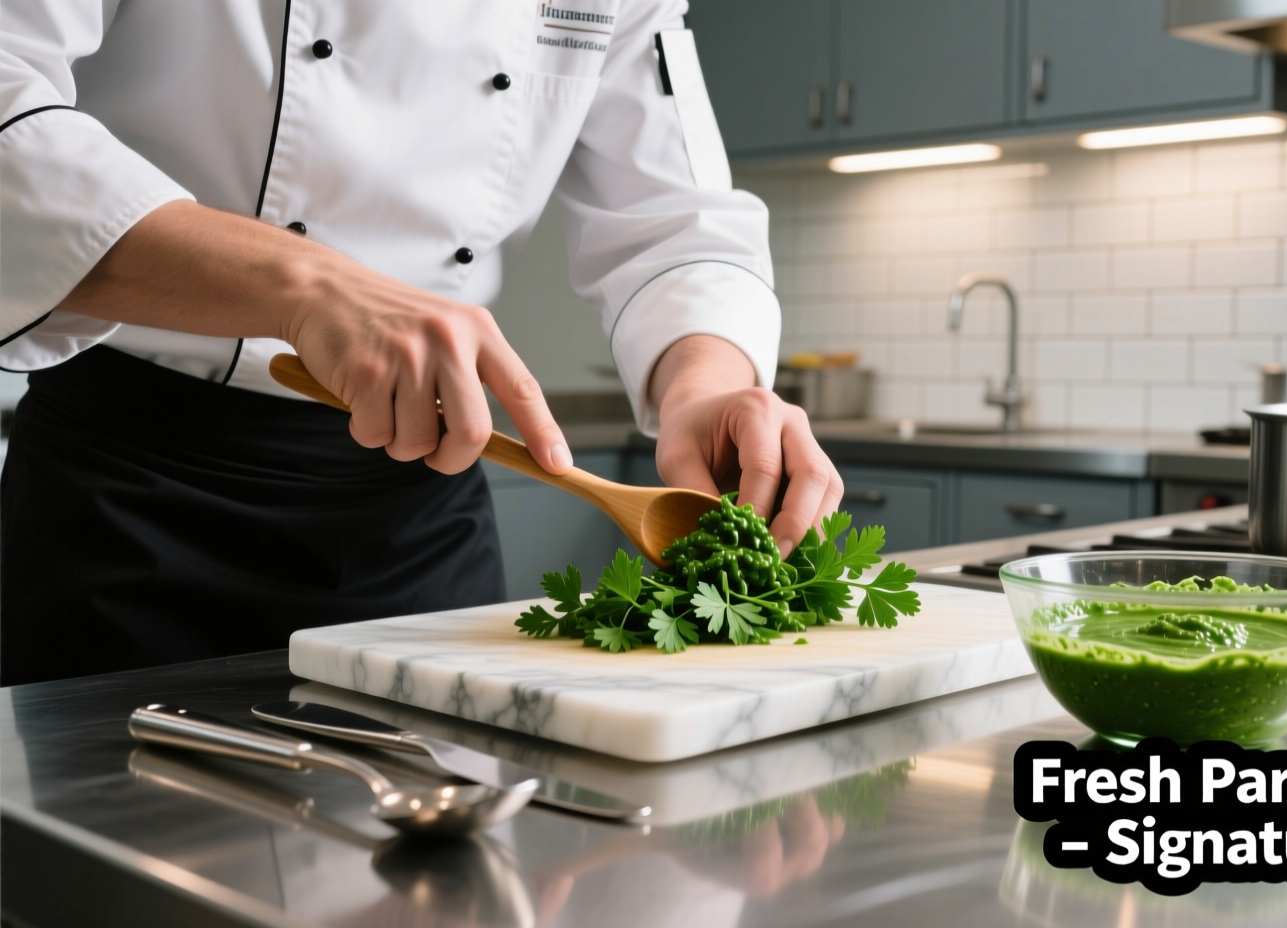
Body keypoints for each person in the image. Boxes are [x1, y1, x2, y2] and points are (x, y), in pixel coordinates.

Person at [0, 1, 842, 686]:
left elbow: (672, 221)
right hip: (133, 499)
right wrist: (305, 284)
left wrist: (707, 382)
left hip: (423, 520)